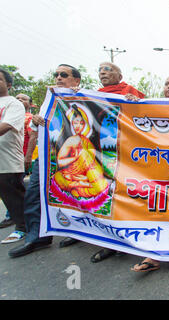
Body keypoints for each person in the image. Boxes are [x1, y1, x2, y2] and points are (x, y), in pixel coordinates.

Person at [9, 64, 82, 258]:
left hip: (74, 159)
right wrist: (36, 119)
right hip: (47, 157)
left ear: (76, 81)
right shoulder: (50, 100)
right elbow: (35, 130)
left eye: (64, 75)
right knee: (34, 195)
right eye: (56, 74)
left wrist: (80, 94)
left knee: (76, 197)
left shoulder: (84, 97)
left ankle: (80, 232)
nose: (58, 78)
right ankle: (36, 237)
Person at [88, 62, 146, 263]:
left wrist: (135, 101)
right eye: (100, 70)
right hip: (101, 148)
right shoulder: (93, 95)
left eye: (108, 69)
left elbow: (147, 114)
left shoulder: (129, 92)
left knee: (126, 194)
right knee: (107, 192)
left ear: (119, 74)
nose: (103, 73)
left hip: (128, 151)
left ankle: (128, 238)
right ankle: (110, 242)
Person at [131, 75, 169, 272]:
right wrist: (135, 104)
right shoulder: (150, 106)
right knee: (159, 210)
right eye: (167, 83)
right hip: (160, 168)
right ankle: (154, 256)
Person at [0, 68, 26, 244]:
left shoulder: (13, 104)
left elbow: (7, 126)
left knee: (14, 195)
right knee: (6, 195)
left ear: (8, 84)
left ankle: (23, 227)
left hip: (9, 159)